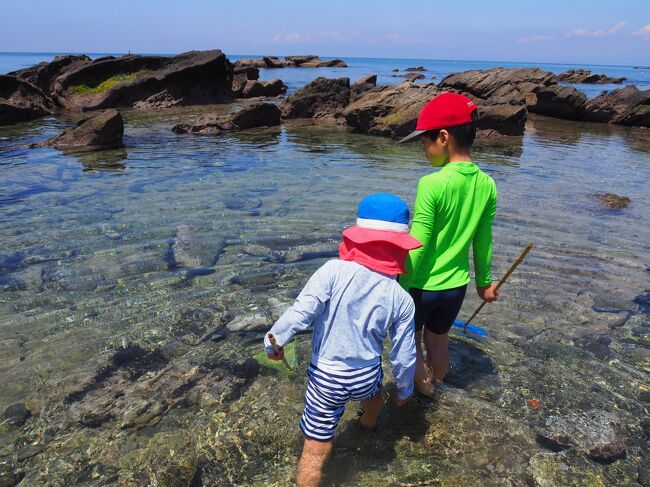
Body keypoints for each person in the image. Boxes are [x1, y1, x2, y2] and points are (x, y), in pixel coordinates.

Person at [264, 193, 422, 487]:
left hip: (327, 376)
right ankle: (368, 423)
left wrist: (274, 341)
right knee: (374, 395)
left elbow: (301, 313)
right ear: (400, 248)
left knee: (313, 451)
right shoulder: (401, 298)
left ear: (356, 237)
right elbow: (404, 354)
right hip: (366, 374)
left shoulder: (332, 270)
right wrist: (404, 390)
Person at [397, 92, 499, 396]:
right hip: (456, 287)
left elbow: (419, 242)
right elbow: (483, 240)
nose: (424, 150)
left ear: (443, 138)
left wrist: (398, 286)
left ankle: (422, 393)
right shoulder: (487, 184)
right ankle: (438, 385)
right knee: (438, 341)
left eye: (424, 142)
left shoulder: (432, 183)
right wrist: (484, 283)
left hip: (421, 286)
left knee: (411, 341)